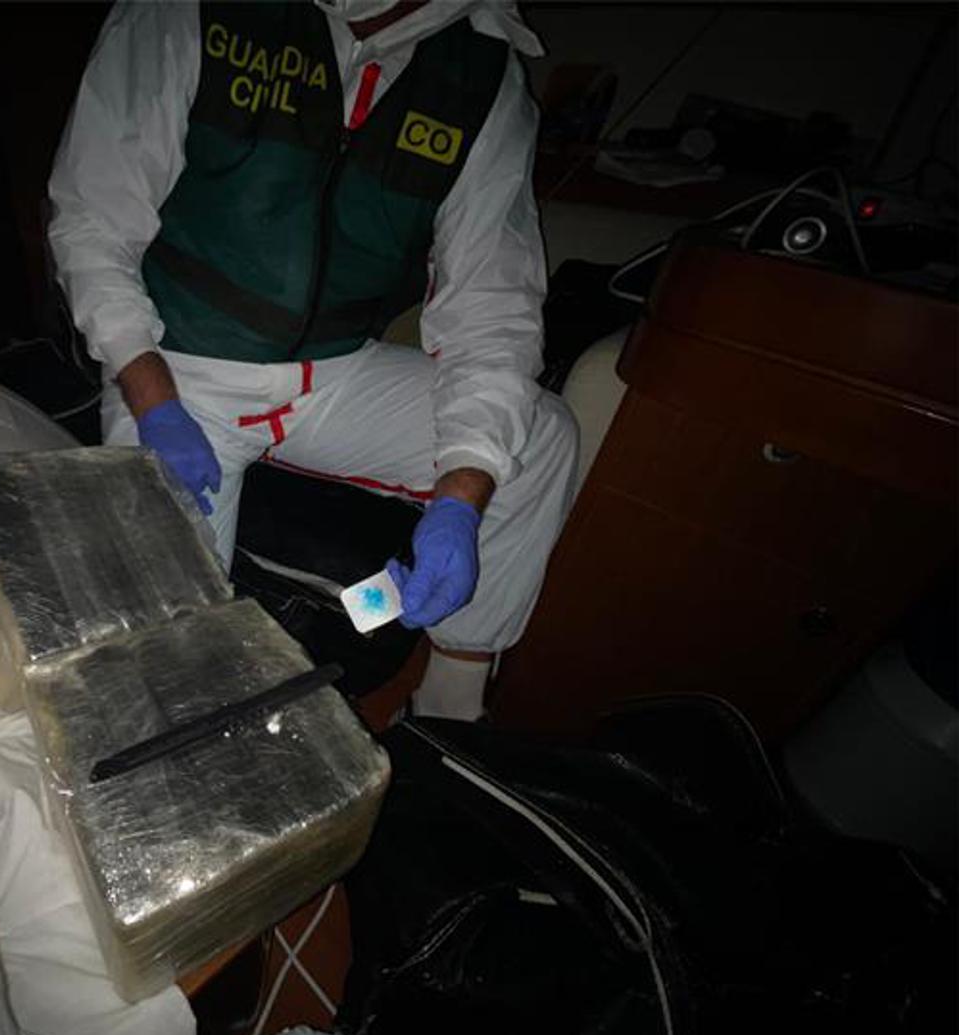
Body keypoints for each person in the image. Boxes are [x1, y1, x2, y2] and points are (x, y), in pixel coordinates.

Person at [48, 0, 578, 721]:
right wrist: (151, 398)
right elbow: (93, 221)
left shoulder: (483, 71)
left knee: (540, 437)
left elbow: (493, 306)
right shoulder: (190, 10)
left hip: (335, 370)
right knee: (168, 660)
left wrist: (460, 498)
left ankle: (449, 709)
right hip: (181, 373)